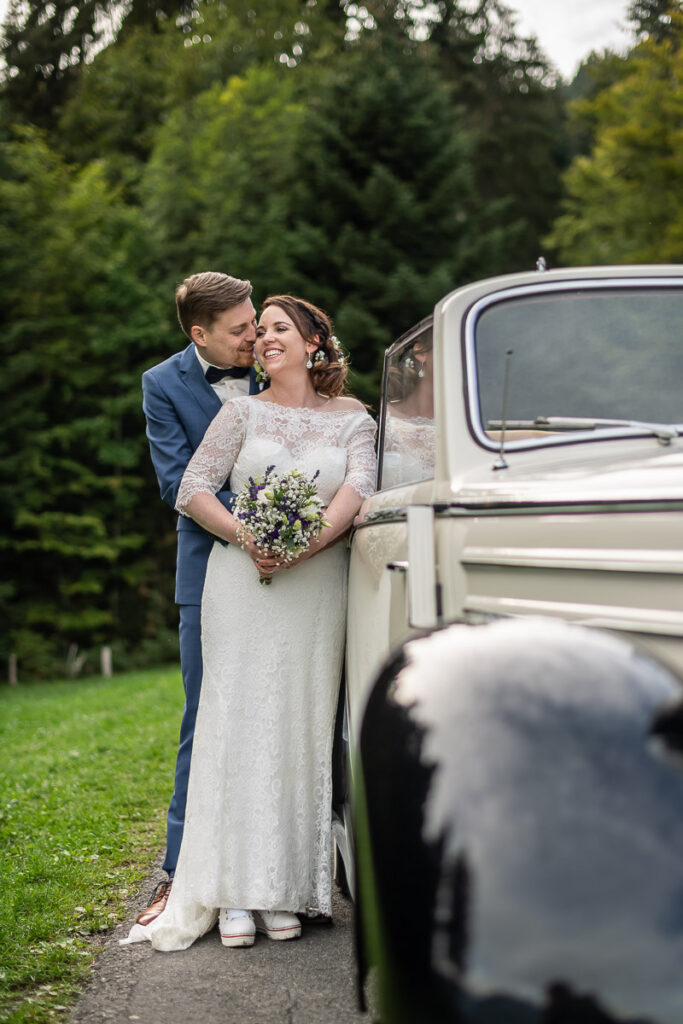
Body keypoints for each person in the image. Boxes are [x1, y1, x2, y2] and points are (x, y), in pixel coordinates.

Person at [122, 296, 376, 951]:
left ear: (315, 340)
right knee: (231, 721)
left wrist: (304, 544)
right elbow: (191, 487)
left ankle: (283, 887)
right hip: (239, 580)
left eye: (276, 328)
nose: (262, 337)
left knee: (298, 723)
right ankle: (231, 890)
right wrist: (250, 536)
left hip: (315, 587)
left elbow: (358, 491)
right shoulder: (239, 411)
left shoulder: (354, 419)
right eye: (255, 329)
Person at [136, 272, 260, 926]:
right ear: (199, 334)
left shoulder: (282, 363)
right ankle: (178, 868)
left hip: (297, 573)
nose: (254, 336)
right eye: (240, 329)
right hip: (206, 569)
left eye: (256, 321)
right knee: (201, 716)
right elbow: (176, 480)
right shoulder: (162, 384)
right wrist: (263, 526)